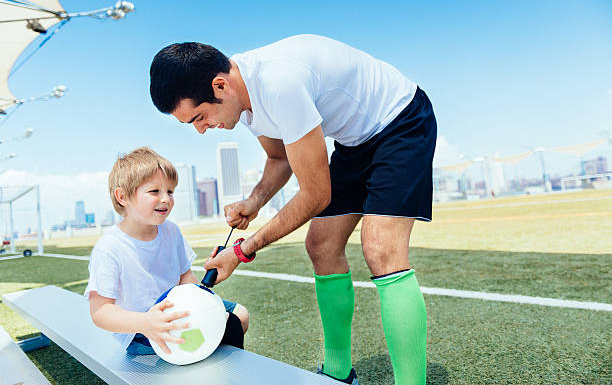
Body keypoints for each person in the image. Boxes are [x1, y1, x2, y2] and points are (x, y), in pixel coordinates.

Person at [150, 34, 436, 384]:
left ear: (220, 86)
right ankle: (337, 373)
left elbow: (316, 195)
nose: (200, 129)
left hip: (401, 121)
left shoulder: (279, 85)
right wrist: (253, 202)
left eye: (200, 116)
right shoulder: (243, 99)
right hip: (355, 141)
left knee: (381, 249)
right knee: (321, 246)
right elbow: (278, 157)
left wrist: (241, 251)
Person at [85, 147, 249, 355]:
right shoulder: (109, 248)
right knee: (221, 326)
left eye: (170, 191)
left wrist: (201, 300)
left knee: (239, 315)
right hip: (140, 330)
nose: (166, 199)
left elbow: (185, 276)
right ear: (122, 197)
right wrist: (145, 322)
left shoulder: (171, 230)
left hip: (178, 310)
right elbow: (100, 312)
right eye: (155, 191)